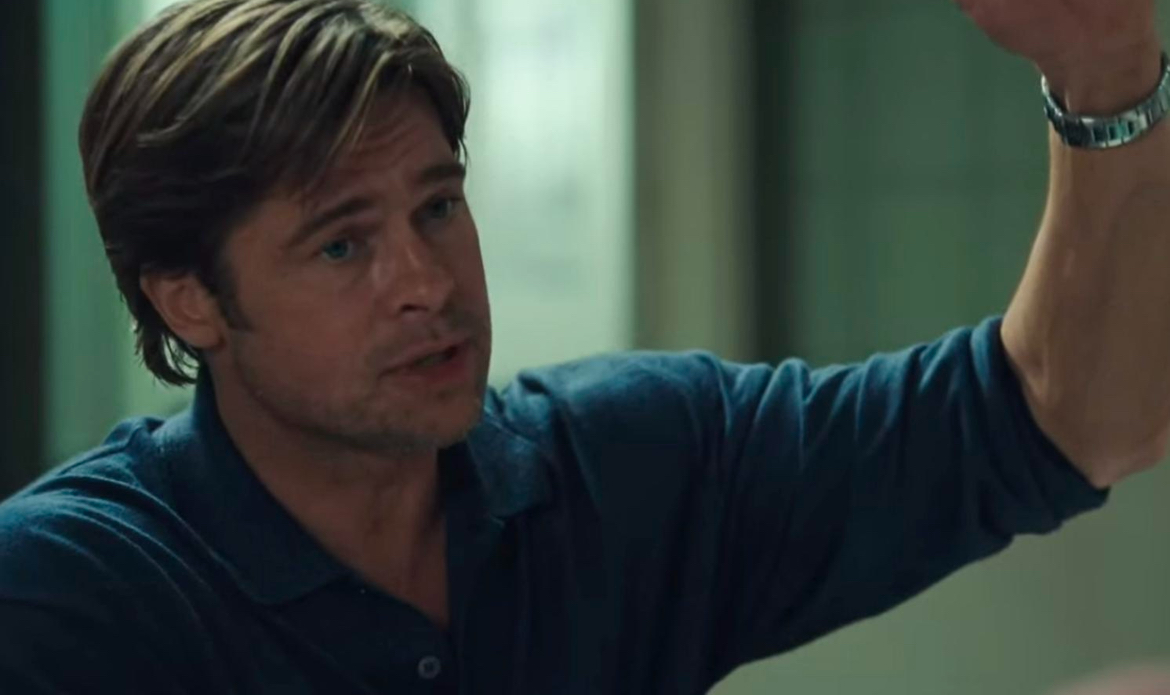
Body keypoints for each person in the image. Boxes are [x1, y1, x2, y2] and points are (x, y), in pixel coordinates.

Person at [0, 0, 1166, 692]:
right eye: (342, 245)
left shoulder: (629, 467)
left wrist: (1106, 69)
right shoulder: (69, 594)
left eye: (436, 207)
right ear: (190, 300)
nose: (426, 283)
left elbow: (1068, 414)